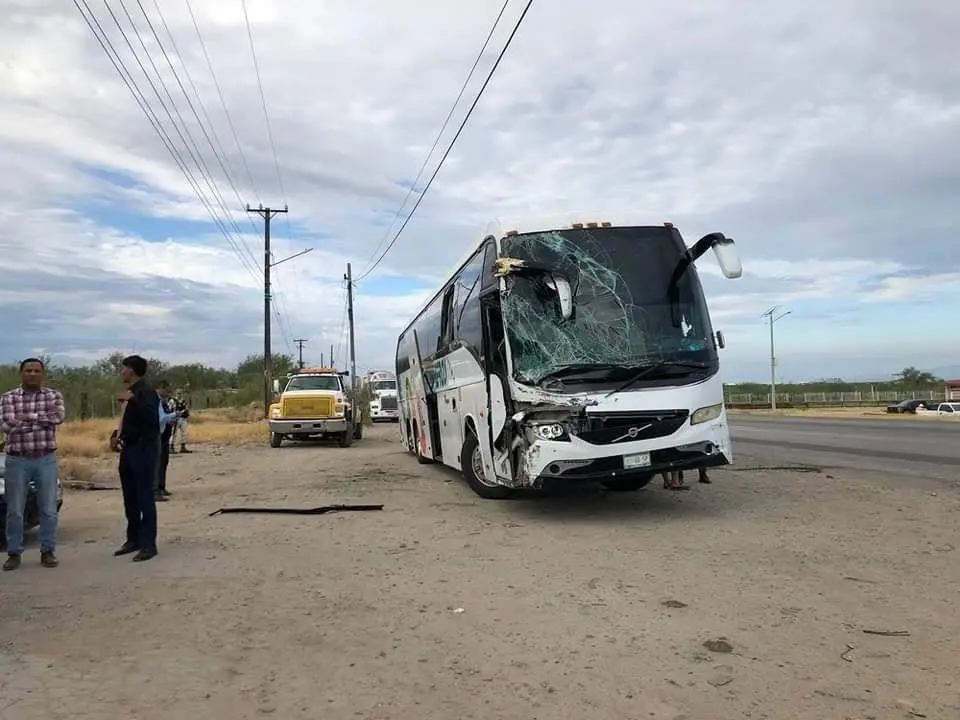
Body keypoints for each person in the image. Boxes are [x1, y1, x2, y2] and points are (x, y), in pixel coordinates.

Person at [0, 358, 65, 571]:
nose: (32, 374)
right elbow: (6, 425)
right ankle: (14, 552)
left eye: (37, 370)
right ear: (21, 373)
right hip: (17, 459)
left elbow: (58, 417)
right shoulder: (8, 397)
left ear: (42, 373)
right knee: (15, 509)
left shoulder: (53, 395)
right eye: (28, 370)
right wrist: (40, 422)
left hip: (45, 458)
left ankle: (47, 550)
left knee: (48, 508)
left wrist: (27, 418)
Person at [114, 355, 161, 562]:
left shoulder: (145, 393)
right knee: (130, 497)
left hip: (144, 449)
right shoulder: (130, 393)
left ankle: (149, 544)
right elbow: (129, 420)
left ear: (131, 370)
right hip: (128, 448)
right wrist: (117, 434)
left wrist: (133, 401)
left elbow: (152, 418)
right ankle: (133, 539)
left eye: (124, 368)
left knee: (144, 497)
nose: (122, 372)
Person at [155, 381, 179, 500]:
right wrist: (174, 415)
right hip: (159, 435)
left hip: (165, 435)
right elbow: (161, 418)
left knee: (164, 462)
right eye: (165, 389)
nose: (166, 392)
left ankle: (162, 486)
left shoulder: (165, 402)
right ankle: (157, 488)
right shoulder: (156, 401)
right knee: (158, 463)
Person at [169, 389, 191, 453]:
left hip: (183, 418)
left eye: (181, 393)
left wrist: (187, 415)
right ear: (175, 393)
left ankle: (183, 447)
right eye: (178, 393)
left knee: (185, 433)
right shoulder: (172, 401)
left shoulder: (183, 401)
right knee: (173, 433)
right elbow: (170, 409)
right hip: (176, 418)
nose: (179, 394)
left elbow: (186, 409)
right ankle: (171, 447)